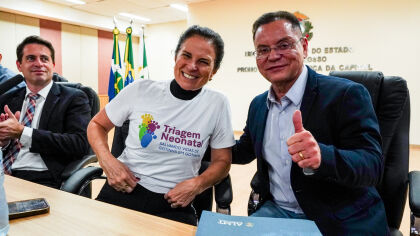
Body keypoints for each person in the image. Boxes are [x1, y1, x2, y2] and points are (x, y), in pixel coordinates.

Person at [232, 11, 389, 235]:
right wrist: (199, 142)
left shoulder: (346, 95)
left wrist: (322, 156)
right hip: (277, 212)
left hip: (337, 218)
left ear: (304, 47)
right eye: (263, 50)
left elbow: (372, 167)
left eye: (284, 45)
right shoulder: (259, 105)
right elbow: (244, 150)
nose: (273, 56)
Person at [87, 25, 234, 225]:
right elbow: (96, 124)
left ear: (214, 71)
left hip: (174, 202)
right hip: (123, 190)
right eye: (186, 56)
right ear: (175, 57)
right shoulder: (141, 89)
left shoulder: (217, 104)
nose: (192, 66)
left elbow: (222, 162)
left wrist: (197, 185)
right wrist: (108, 162)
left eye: (203, 62)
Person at [0, 35, 91, 188]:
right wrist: (4, 141)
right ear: (19, 65)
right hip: (4, 170)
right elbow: (5, 142)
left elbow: (79, 144)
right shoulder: (9, 98)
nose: (39, 64)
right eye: (30, 58)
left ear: (53, 64)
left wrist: (23, 132)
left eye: (44, 58)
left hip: (41, 176)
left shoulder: (74, 97)